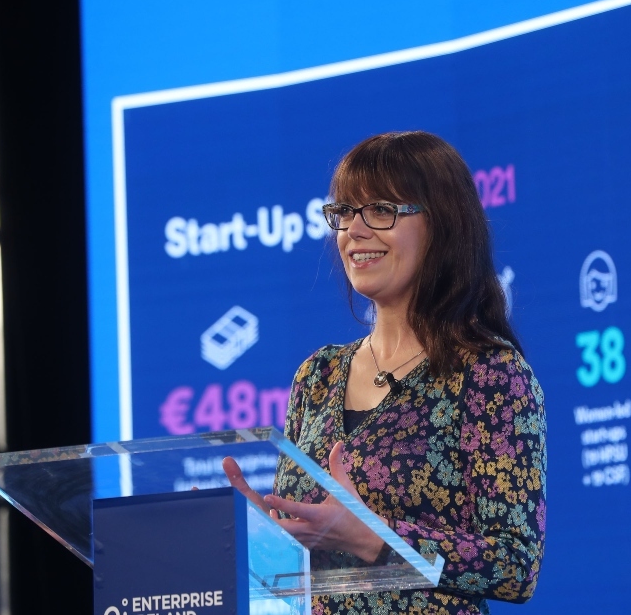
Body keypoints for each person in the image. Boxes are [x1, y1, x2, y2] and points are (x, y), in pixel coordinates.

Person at [224, 131, 546, 615]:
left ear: (442, 223)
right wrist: (260, 531)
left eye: (380, 210)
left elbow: (516, 564)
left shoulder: (489, 374)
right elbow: (300, 567)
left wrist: (378, 539)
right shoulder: (317, 375)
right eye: (344, 213)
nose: (354, 230)